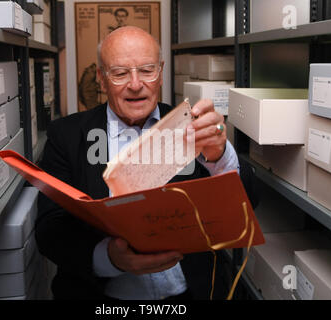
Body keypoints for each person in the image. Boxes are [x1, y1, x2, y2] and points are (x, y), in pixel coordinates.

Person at [35, 26, 240, 300]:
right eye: (120, 73)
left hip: (189, 294)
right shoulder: (66, 136)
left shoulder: (194, 125)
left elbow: (245, 204)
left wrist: (219, 154)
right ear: (101, 78)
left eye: (146, 70)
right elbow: (50, 230)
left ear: (161, 72)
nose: (135, 84)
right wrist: (109, 258)